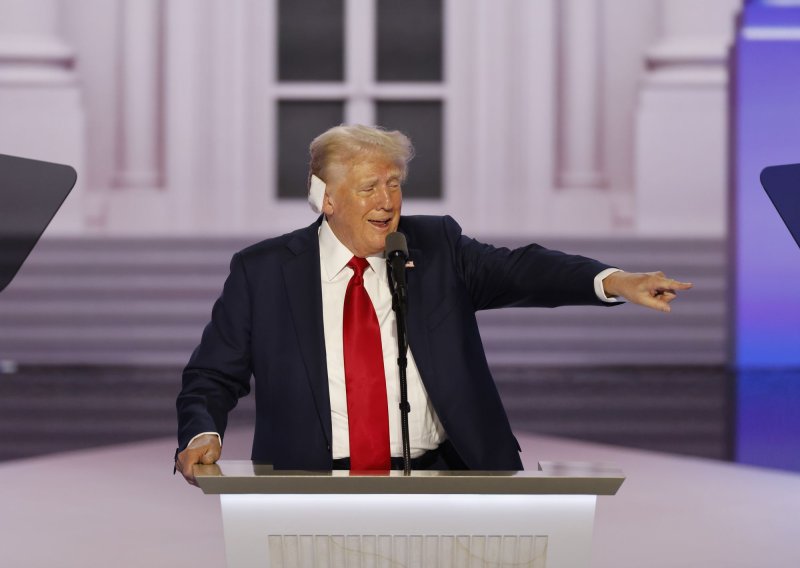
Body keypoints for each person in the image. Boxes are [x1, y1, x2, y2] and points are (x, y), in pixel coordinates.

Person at [175, 124, 691, 486]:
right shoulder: (264, 271)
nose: (387, 201)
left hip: (446, 475)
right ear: (325, 198)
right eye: (369, 187)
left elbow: (524, 269)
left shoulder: (435, 246)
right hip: (313, 481)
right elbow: (212, 376)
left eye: (394, 184)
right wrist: (203, 430)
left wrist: (615, 281)